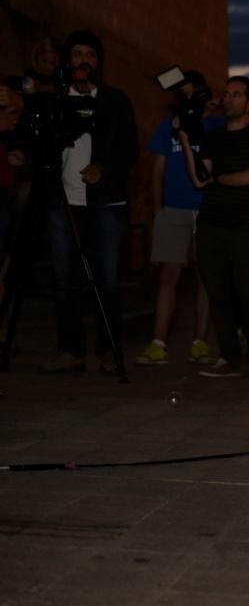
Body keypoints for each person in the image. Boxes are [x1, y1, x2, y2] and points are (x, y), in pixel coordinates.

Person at [40, 30, 138, 374]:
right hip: (62, 202)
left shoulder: (115, 101)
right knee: (64, 277)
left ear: (98, 62)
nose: (84, 60)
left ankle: (108, 349)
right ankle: (70, 349)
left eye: (90, 55)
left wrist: (104, 169)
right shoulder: (54, 101)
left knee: (107, 278)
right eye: (77, 54)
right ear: (68, 61)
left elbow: (129, 148)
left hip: (105, 202)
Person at [179, 76, 249, 379]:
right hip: (211, 223)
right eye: (226, 93)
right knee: (217, 292)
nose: (228, 99)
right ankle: (229, 356)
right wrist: (184, 141)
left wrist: (219, 179)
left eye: (236, 94)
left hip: (244, 223)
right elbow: (199, 179)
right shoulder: (213, 137)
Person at [136, 70, 223, 367]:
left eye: (192, 91)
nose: (187, 97)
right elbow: (157, 171)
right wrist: (159, 210)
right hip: (173, 210)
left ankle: (200, 343)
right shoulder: (167, 127)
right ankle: (158, 343)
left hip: (208, 211)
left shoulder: (214, 125)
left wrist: (214, 109)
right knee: (168, 277)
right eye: (182, 92)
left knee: (205, 277)